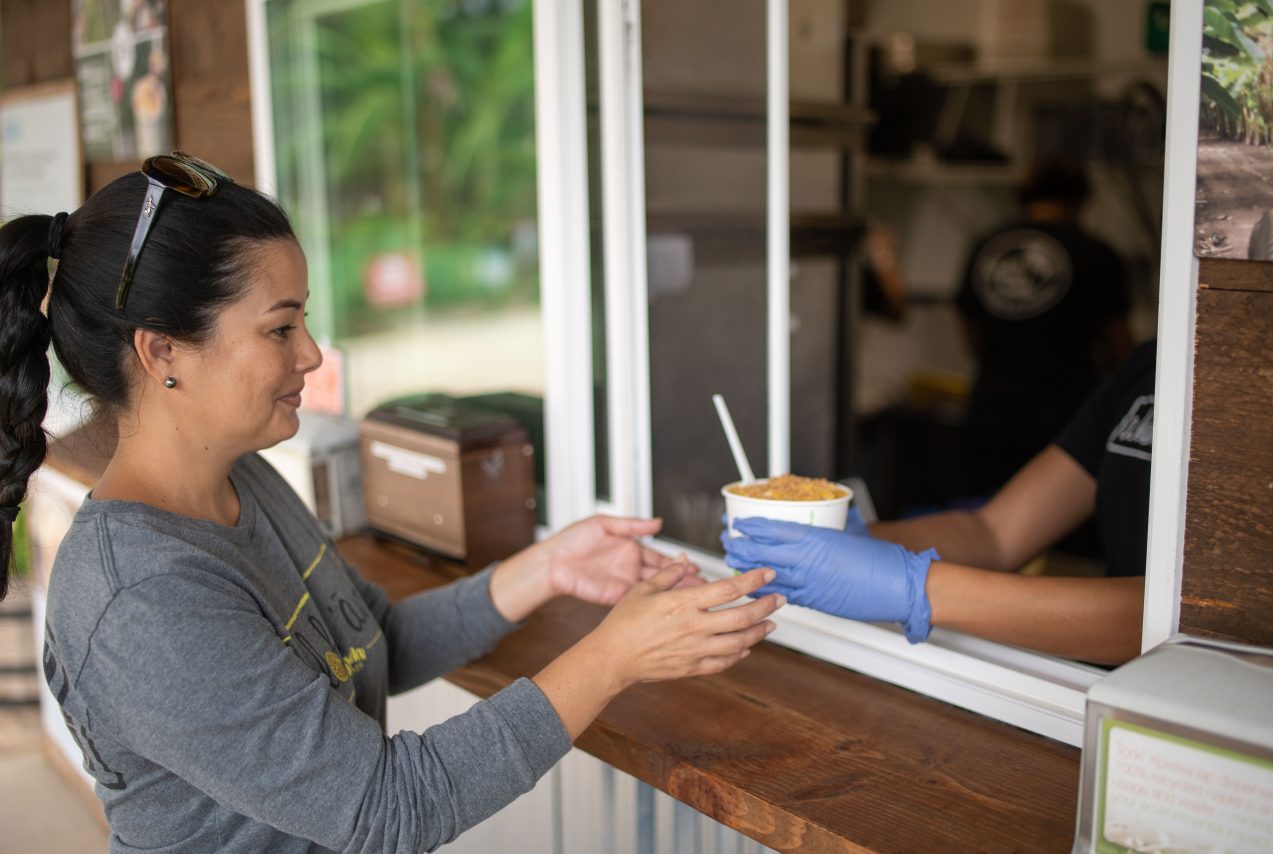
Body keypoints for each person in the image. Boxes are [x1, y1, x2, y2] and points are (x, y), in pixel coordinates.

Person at [0, 152, 786, 852]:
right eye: (281, 328)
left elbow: (369, 646)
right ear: (162, 350)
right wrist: (614, 656)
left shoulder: (241, 476)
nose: (310, 353)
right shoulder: (140, 597)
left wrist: (546, 569)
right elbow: (387, 808)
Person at [723, 340, 1157, 666]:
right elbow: (995, 533)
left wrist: (916, 588)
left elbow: (1184, 623)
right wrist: (850, 543)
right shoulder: (1147, 369)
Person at [956, 157, 1134, 498]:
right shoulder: (1096, 253)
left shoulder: (987, 246)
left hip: (989, 412)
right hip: (1066, 421)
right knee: (1056, 536)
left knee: (985, 520)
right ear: (1080, 200)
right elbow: (1120, 346)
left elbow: (967, 327)